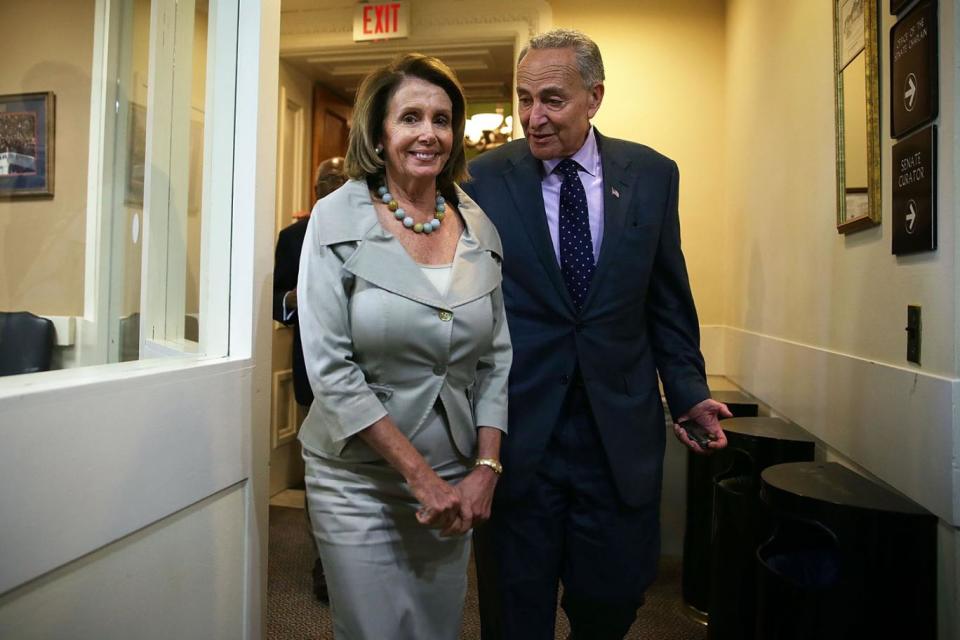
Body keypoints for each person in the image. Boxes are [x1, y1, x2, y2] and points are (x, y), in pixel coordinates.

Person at [461, 29, 730, 639]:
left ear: (594, 96)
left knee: (609, 606)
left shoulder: (653, 175)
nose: (533, 117)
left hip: (617, 438)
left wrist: (687, 391)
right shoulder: (482, 179)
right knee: (513, 612)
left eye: (552, 100)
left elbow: (666, 298)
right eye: (524, 99)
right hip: (519, 433)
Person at [297, 53, 511, 639]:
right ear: (379, 131)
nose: (429, 133)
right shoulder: (333, 218)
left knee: (432, 629)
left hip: (453, 474)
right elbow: (331, 369)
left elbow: (495, 360)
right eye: (410, 117)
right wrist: (421, 479)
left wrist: (486, 467)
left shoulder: (477, 225)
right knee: (371, 630)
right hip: (359, 478)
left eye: (442, 120)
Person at [272, 155, 347, 603]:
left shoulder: (378, 224)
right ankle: (325, 564)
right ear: (314, 187)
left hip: (374, 375)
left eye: (340, 179)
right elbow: (277, 302)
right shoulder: (293, 236)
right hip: (312, 375)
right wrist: (298, 296)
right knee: (322, 473)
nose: (332, 186)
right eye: (325, 181)